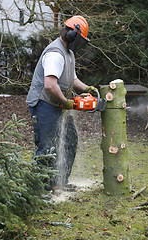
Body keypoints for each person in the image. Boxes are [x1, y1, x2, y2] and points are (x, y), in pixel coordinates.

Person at [26, 15, 97, 190]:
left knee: (69, 141)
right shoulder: (54, 54)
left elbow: (72, 79)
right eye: (79, 39)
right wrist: (67, 102)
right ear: (72, 34)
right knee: (47, 147)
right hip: (44, 104)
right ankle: (41, 188)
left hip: (59, 103)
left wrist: (87, 89)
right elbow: (50, 85)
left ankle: (59, 182)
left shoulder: (69, 53)